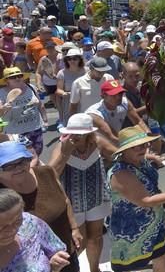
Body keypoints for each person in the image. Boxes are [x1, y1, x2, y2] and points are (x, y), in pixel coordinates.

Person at [108, 126, 165, 272]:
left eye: (144, 145)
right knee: (125, 266)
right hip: (131, 230)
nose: (142, 149)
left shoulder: (138, 159)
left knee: (161, 256)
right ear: (124, 151)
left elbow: (143, 158)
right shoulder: (121, 174)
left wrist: (153, 158)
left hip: (154, 223)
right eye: (135, 147)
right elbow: (146, 201)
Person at [0, 142, 81, 272]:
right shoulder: (3, 198)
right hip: (27, 259)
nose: (18, 168)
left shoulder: (46, 172)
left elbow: (65, 199)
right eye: (9, 165)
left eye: (22, 161)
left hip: (62, 248)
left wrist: (74, 228)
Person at [49, 114, 110, 272]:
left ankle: (94, 269)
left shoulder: (97, 142)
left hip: (96, 197)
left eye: (79, 133)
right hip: (72, 201)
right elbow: (51, 174)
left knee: (96, 237)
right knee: (79, 242)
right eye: (72, 132)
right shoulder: (61, 146)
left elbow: (118, 154)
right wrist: (65, 153)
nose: (75, 136)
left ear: (88, 133)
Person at [0, 187, 70, 271]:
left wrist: (54, 263)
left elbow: (55, 250)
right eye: (2, 226)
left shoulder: (29, 223)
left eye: (17, 221)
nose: (12, 230)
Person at [86, 80, 148, 157]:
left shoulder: (125, 103)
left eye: (120, 93)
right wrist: (139, 149)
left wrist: (149, 136)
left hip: (114, 143)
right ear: (103, 96)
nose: (118, 97)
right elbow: (112, 137)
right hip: (95, 150)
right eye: (113, 95)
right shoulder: (95, 114)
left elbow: (138, 121)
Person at [0, 67, 48, 154]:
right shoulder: (2, 93)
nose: (17, 78)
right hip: (15, 133)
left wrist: (45, 121)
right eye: (13, 77)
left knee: (37, 154)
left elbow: (40, 105)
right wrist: (3, 108)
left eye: (19, 76)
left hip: (35, 128)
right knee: (22, 158)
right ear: (7, 80)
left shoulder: (31, 87)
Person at [56, 48, 87, 126]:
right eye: (69, 59)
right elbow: (58, 90)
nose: (72, 61)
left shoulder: (86, 71)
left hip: (84, 102)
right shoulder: (62, 73)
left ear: (80, 59)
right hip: (69, 103)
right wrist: (64, 93)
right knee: (71, 125)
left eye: (75, 58)